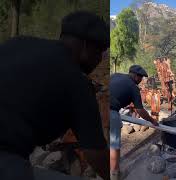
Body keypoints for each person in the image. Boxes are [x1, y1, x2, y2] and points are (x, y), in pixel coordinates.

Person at [0, 11, 109, 180]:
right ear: (86, 46)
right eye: (99, 51)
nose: (100, 59)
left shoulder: (17, 43)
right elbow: (95, 152)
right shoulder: (77, 82)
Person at [109, 65, 159, 180]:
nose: (141, 80)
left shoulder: (116, 75)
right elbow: (140, 110)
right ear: (136, 76)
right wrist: (152, 120)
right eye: (141, 77)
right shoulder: (133, 87)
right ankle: (114, 174)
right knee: (114, 145)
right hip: (112, 112)